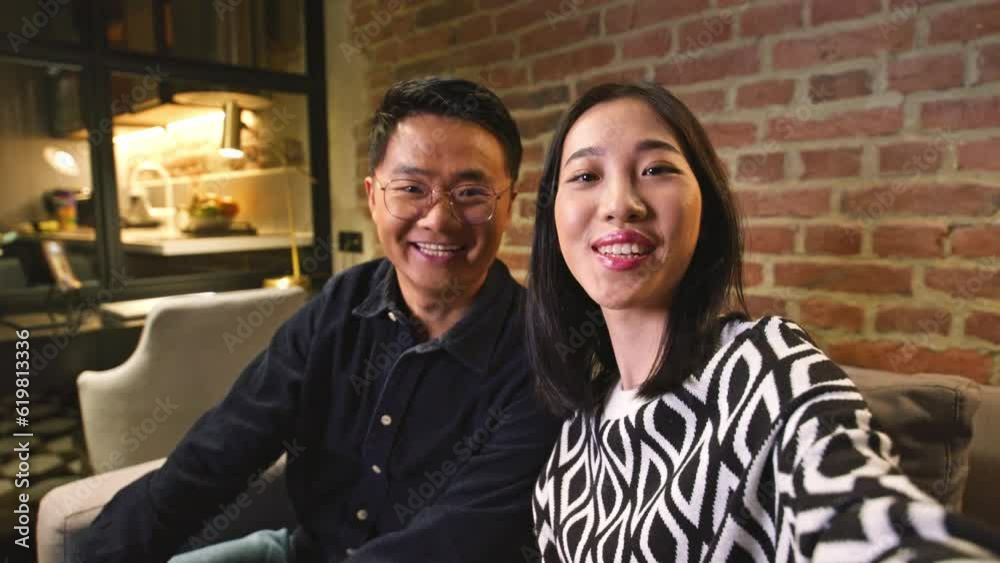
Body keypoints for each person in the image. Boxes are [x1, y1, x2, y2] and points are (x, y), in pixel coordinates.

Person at [69, 77, 561, 563]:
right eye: (412, 188)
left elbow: (456, 540)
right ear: (373, 197)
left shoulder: (538, 356)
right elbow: (221, 448)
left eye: (471, 192)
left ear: (508, 205)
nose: (438, 219)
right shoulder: (342, 303)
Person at [525, 82, 1000, 562]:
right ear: (553, 216)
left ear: (705, 205)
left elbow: (856, 504)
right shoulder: (571, 448)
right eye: (585, 176)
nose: (620, 203)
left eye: (656, 169)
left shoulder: (765, 365)